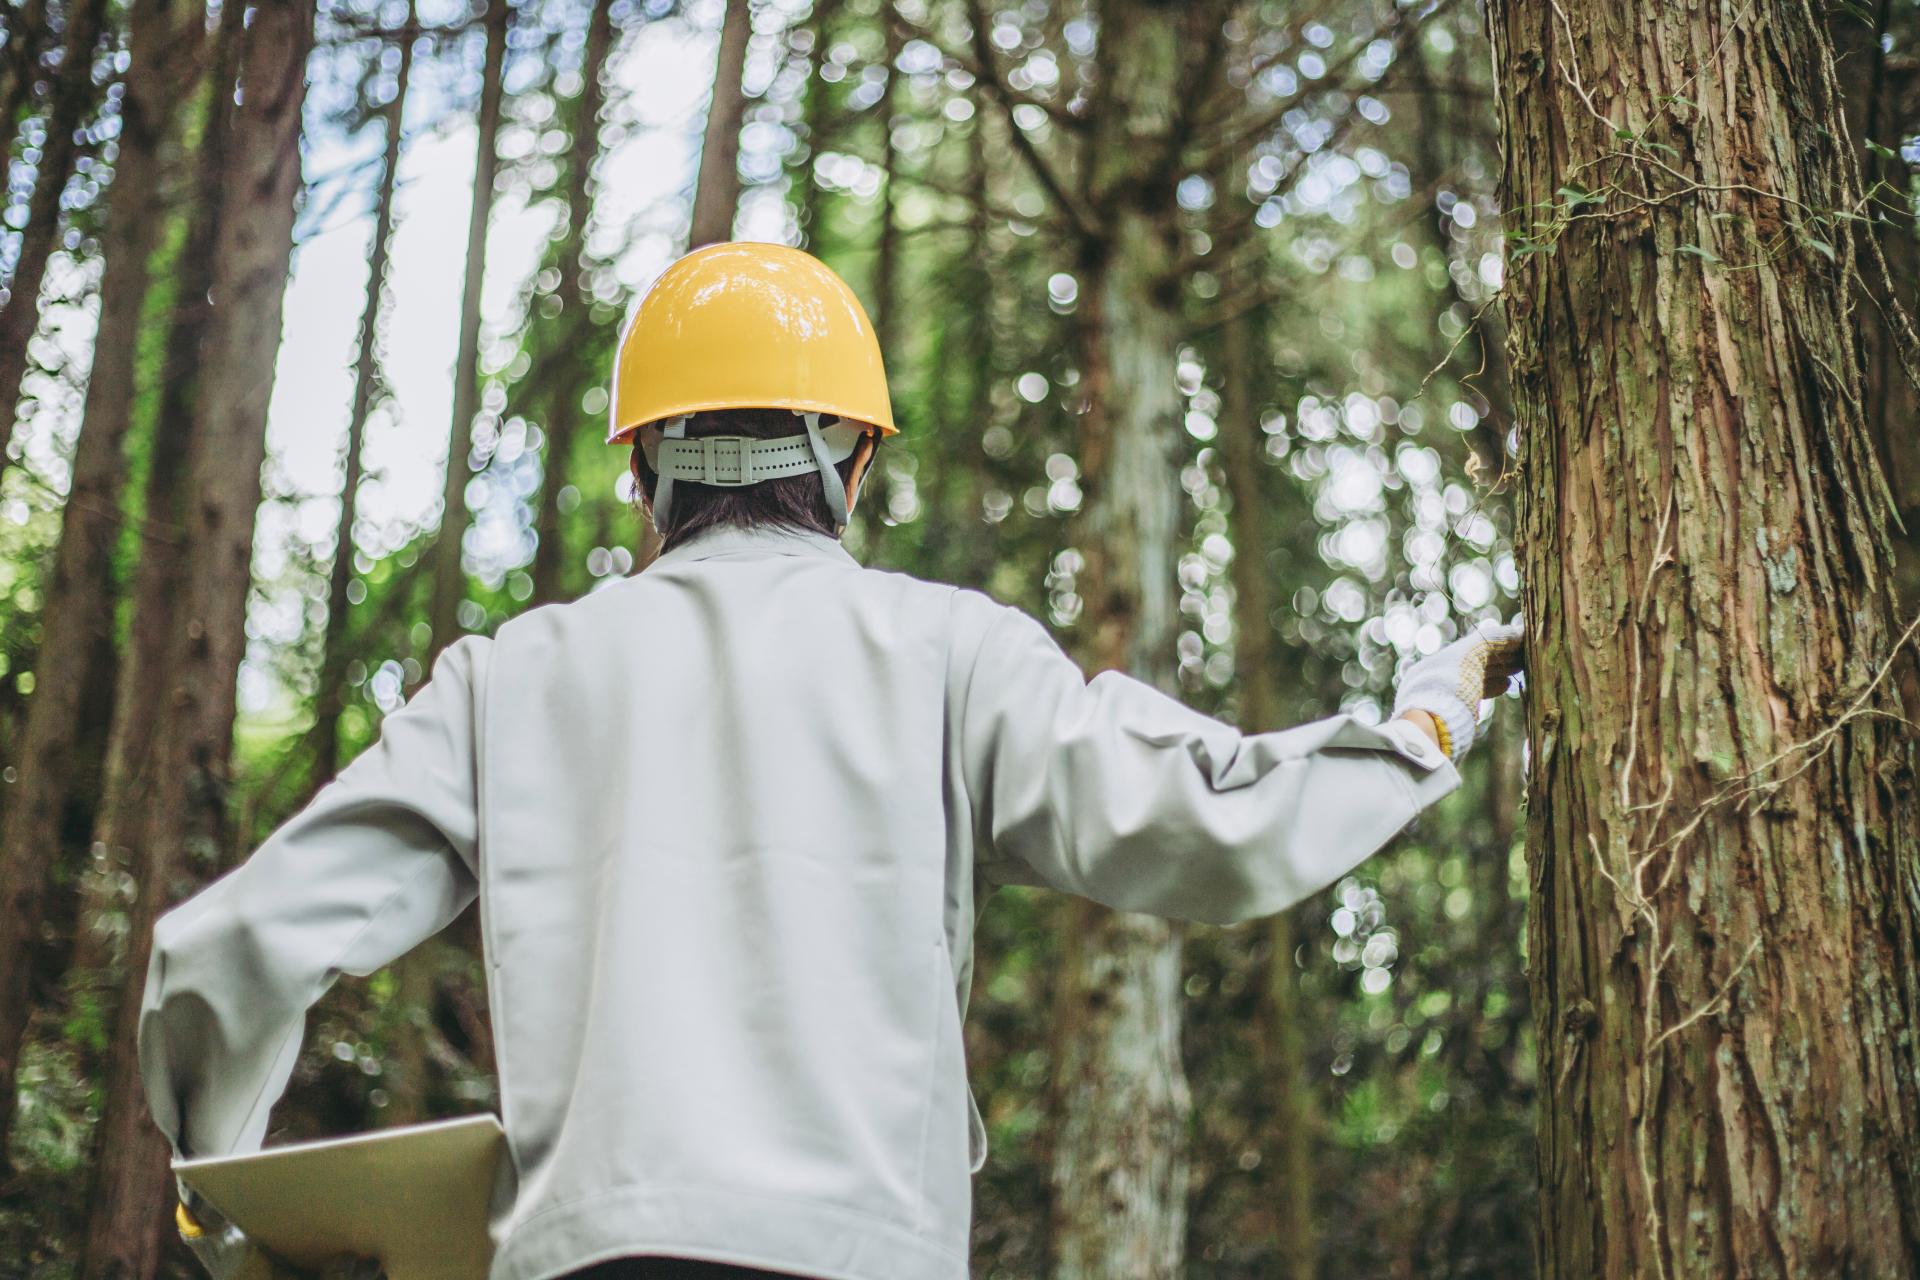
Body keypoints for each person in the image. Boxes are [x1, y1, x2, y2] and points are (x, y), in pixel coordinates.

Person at [145, 243, 1523, 1280]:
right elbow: (1210, 822)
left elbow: (239, 946)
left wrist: (224, 1192)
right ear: (852, 461)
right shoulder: (947, 648)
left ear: (647, 474)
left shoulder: (511, 679)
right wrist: (1422, 729)